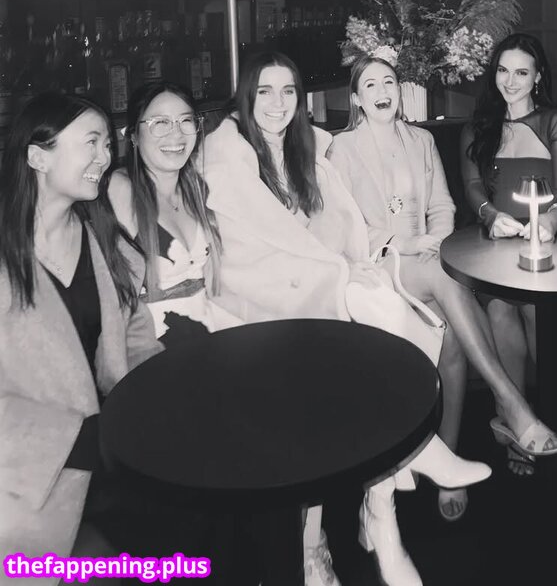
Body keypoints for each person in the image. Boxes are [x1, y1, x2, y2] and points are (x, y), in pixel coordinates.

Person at [203, 50, 491, 586]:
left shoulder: (308, 151)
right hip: (260, 305)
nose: (277, 103)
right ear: (245, 96)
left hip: (321, 288)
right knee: (369, 322)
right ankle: (382, 497)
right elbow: (246, 254)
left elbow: (338, 228)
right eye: (264, 91)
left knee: (379, 328)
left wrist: (346, 263)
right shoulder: (228, 157)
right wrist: (340, 266)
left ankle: (383, 509)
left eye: (288, 91)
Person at [328, 56, 557, 519]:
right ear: (356, 98)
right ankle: (510, 404)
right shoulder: (342, 148)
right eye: (370, 85)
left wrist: (433, 241)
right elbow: (347, 225)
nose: (382, 91)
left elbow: (442, 206)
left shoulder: (421, 140)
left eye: (389, 82)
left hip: (427, 258)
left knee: (453, 341)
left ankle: (449, 460)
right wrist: (408, 244)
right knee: (443, 276)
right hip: (376, 265)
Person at [0, 91, 161, 580]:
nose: (104, 157)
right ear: (37, 156)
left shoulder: (103, 238)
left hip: (115, 454)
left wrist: (161, 398)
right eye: (91, 142)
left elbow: (135, 335)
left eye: (108, 144)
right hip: (29, 475)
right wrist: (77, 440)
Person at [461, 32, 557, 476]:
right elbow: (474, 189)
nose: (510, 81)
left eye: (521, 72)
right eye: (503, 70)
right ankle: (515, 420)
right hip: (495, 245)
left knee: (534, 311)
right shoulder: (478, 126)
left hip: (544, 245)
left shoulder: (553, 121)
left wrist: (551, 221)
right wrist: (490, 216)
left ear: (537, 76)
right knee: (500, 312)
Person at [108, 80, 240, 344]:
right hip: (152, 349)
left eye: (185, 121)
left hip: (210, 338)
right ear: (133, 136)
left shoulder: (197, 187)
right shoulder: (120, 189)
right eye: (160, 123)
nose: (176, 134)